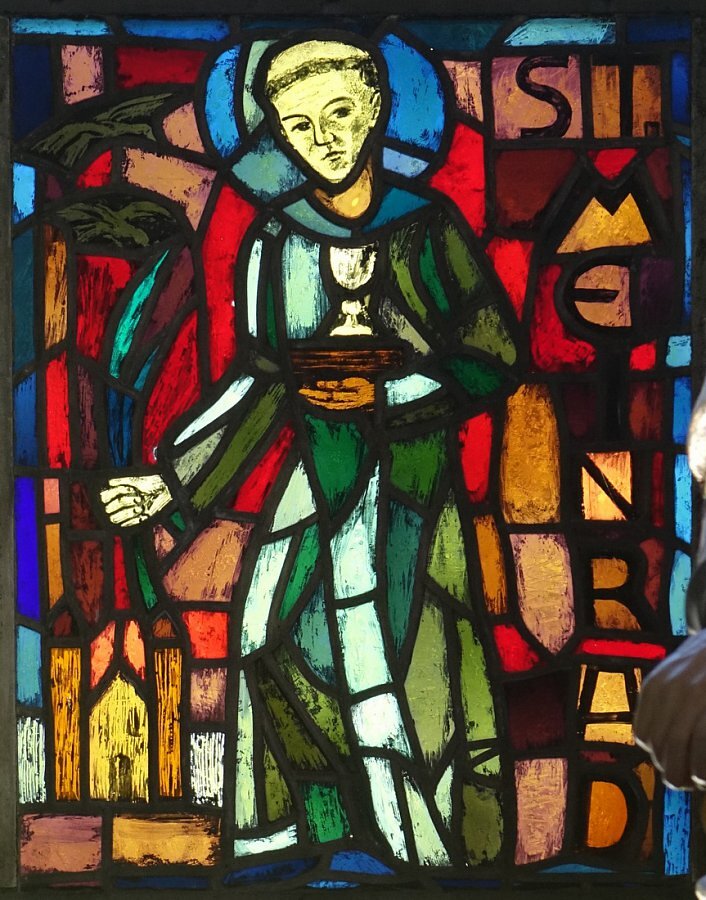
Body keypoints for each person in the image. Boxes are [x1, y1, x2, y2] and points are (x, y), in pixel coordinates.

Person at [101, 35, 519, 865]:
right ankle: (314, 833)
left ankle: (431, 845)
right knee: (265, 632)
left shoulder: (427, 228)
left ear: (378, 111)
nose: (323, 139)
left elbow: (492, 353)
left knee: (410, 655)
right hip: (318, 468)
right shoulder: (277, 239)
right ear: (278, 137)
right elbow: (262, 381)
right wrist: (172, 485)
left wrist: (390, 394)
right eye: (299, 125)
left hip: (413, 477)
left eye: (339, 113)